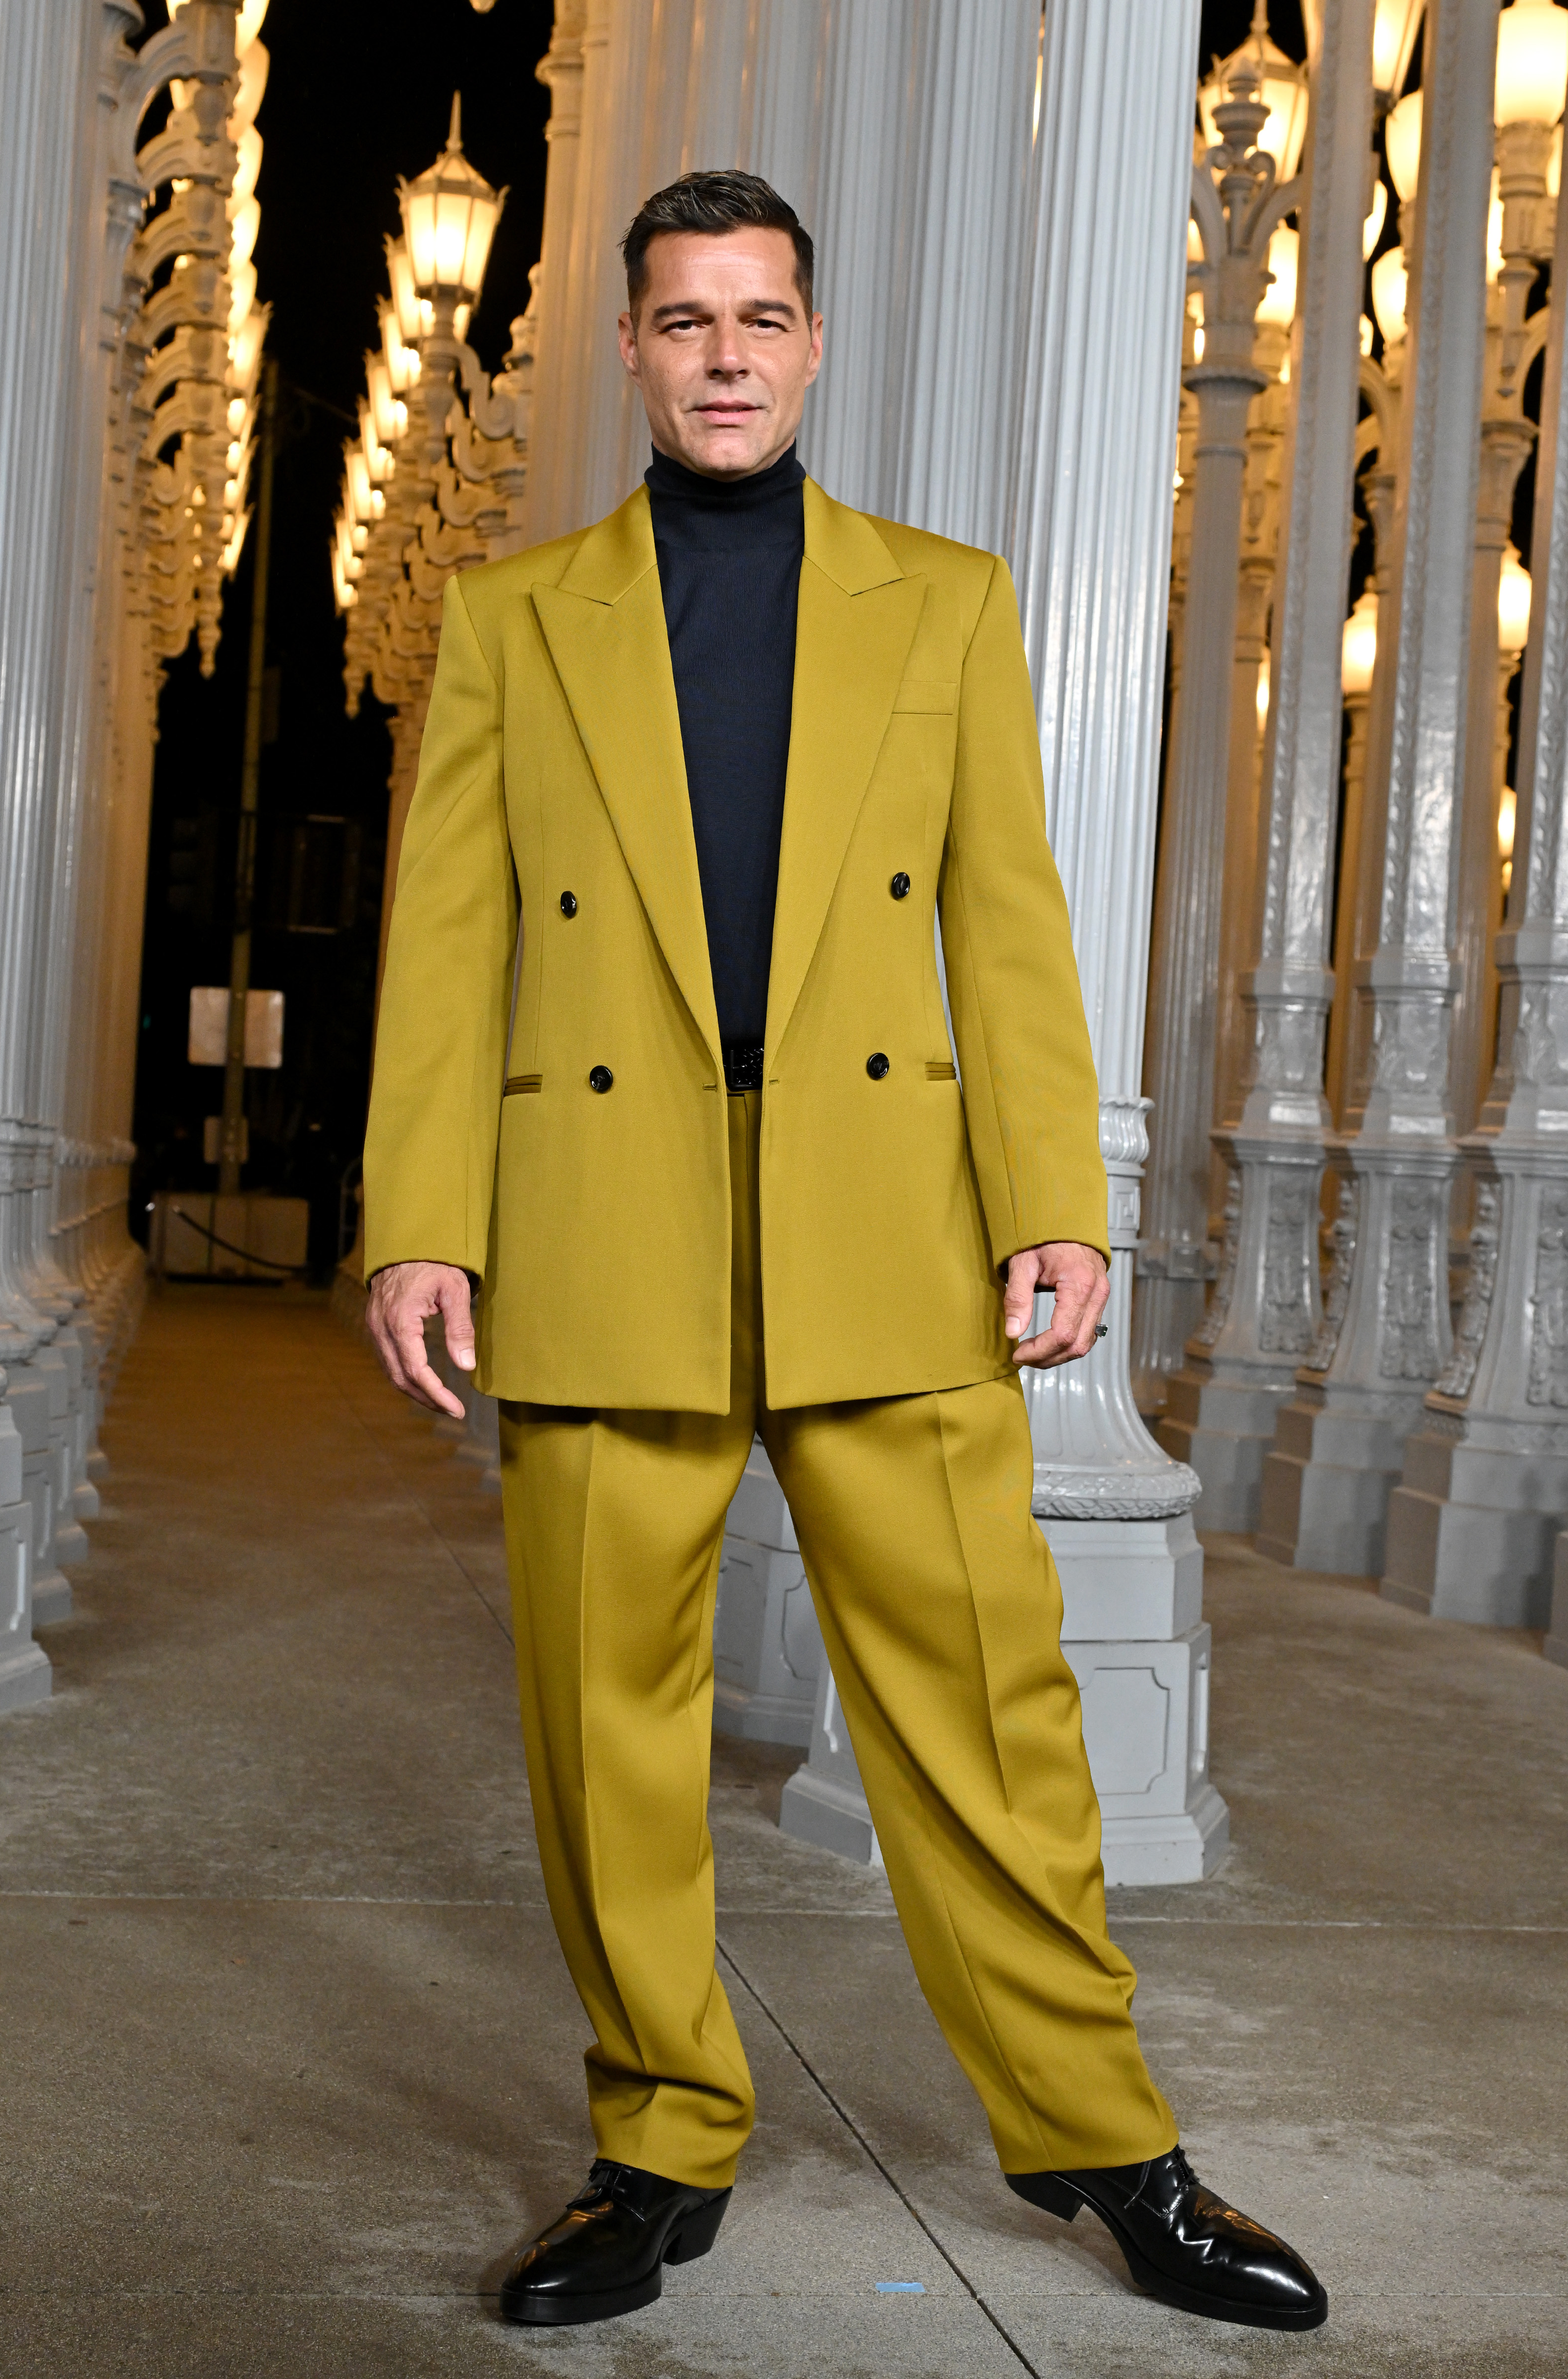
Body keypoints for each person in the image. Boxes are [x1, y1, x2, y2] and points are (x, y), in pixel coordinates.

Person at [362, 170, 1326, 2339]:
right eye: (685, 317)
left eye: (761, 316)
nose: (725, 351)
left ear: (813, 345)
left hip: (885, 1224)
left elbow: (1012, 922)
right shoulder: (518, 618)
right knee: (605, 1729)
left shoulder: (944, 604)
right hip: (608, 1225)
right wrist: (423, 1223)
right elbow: (452, 950)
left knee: (987, 1711)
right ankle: (655, 2143)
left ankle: (1109, 2144)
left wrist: (1055, 1195)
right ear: (632, 347)